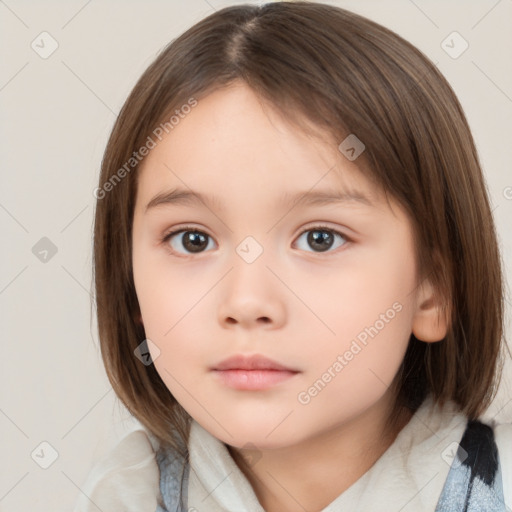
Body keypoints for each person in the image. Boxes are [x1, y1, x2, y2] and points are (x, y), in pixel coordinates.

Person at [75, 2, 512, 511]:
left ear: (433, 288)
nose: (246, 302)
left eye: (320, 238)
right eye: (192, 239)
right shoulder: (128, 494)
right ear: (131, 286)